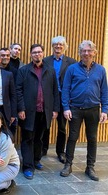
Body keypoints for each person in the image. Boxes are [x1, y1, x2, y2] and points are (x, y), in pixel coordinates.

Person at [60, 40, 108, 181]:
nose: (86, 53)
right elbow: (65, 90)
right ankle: (68, 165)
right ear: (79, 53)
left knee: (92, 139)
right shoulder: (72, 69)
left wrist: (104, 109)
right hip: (75, 109)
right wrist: (66, 108)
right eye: (83, 51)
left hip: (93, 110)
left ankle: (90, 167)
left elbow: (104, 91)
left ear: (94, 52)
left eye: (89, 50)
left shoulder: (101, 70)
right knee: (72, 137)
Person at [16, 44, 60, 180]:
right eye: (34, 52)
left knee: (39, 138)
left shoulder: (50, 70)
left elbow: (55, 91)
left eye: (39, 52)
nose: (37, 54)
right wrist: (21, 108)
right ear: (30, 54)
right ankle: (28, 167)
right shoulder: (24, 70)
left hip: (44, 111)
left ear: (43, 53)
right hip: (29, 112)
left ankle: (36, 160)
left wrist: (55, 109)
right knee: (28, 138)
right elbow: (18, 90)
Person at [42, 36, 77, 162]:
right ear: (52, 46)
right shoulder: (45, 61)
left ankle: (60, 151)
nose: (58, 46)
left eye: (61, 44)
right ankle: (43, 148)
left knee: (62, 127)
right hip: (48, 98)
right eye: (56, 44)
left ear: (65, 46)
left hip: (64, 99)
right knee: (45, 125)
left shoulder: (72, 62)